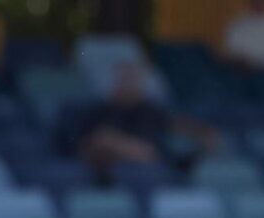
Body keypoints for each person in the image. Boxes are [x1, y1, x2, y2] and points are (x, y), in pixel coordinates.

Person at [72, 62, 219, 180]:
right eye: (125, 78)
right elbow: (87, 147)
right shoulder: (98, 110)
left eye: (133, 78)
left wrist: (203, 132)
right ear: (116, 81)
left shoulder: (151, 110)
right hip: (106, 168)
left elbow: (172, 129)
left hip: (149, 163)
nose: (129, 83)